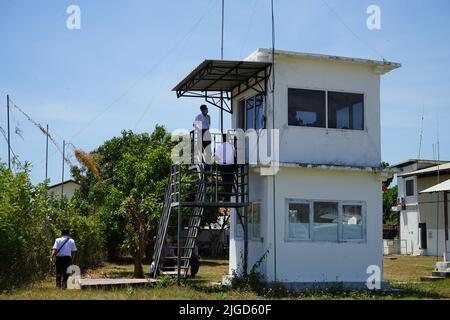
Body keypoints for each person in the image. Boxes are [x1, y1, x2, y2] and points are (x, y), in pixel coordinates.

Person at [214, 135, 237, 202]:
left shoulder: (220, 146)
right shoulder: (232, 146)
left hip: (224, 166)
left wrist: (217, 163)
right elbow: (235, 156)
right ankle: (228, 198)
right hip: (231, 166)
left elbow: (216, 158)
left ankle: (226, 198)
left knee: (225, 182)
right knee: (230, 182)